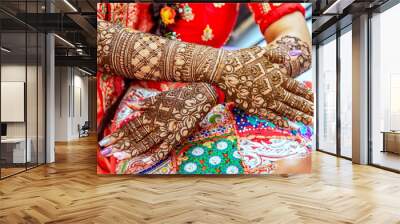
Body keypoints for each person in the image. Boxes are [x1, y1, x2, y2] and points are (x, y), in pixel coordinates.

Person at [96, 3, 313, 174]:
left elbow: (296, 45)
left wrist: (212, 88)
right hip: (139, 107)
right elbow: (93, 36)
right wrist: (220, 68)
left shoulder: (220, 83)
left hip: (218, 96)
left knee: (293, 157)